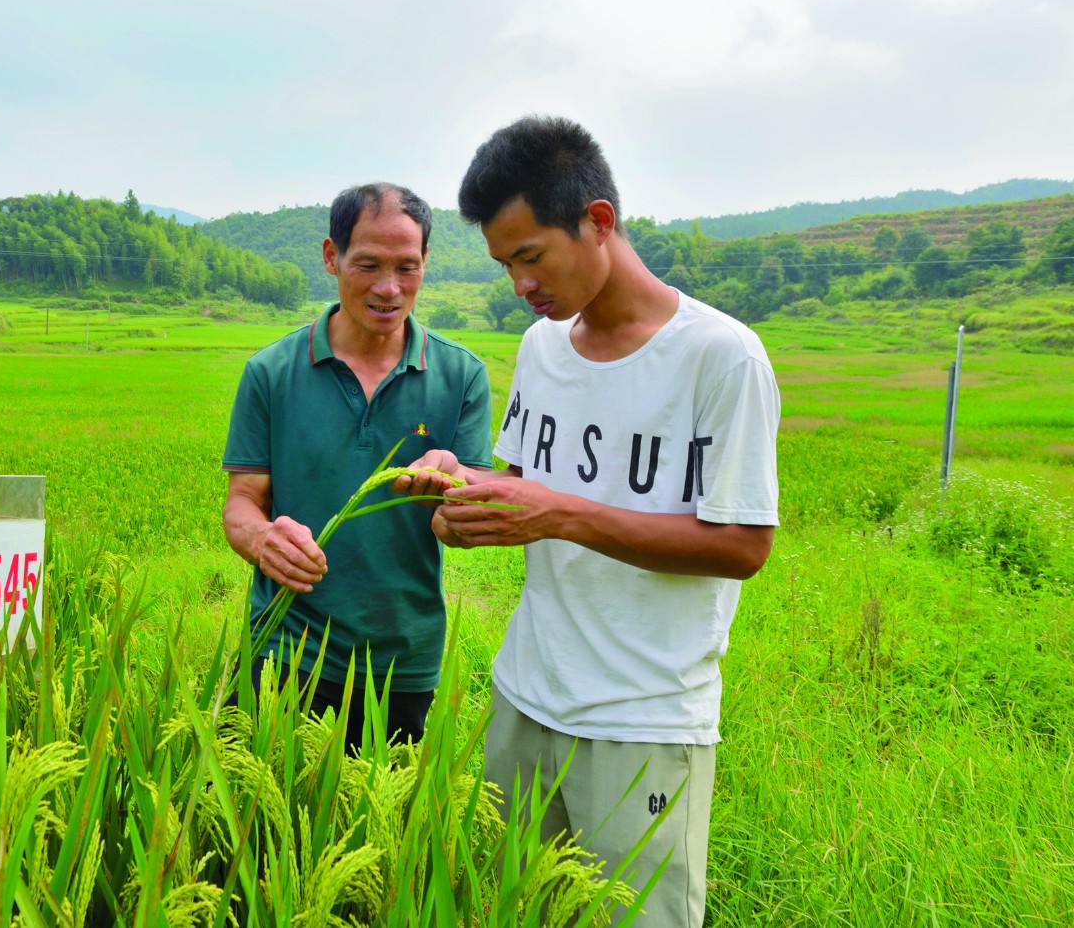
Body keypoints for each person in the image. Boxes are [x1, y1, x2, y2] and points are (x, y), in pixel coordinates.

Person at [397, 117, 779, 926]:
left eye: (530, 256)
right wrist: (457, 488)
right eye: (505, 265)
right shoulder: (544, 348)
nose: (520, 285)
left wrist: (562, 516)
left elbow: (744, 547)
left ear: (597, 222)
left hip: (641, 716)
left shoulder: (721, 357)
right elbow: (523, 487)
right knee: (505, 909)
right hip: (525, 696)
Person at [221, 182, 493, 748]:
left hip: (402, 660)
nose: (389, 288)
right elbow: (244, 501)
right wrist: (264, 539)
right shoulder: (271, 372)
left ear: (425, 264)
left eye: (407, 268)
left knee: (382, 828)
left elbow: (466, 521)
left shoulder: (460, 376)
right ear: (331, 256)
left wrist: (454, 489)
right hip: (284, 647)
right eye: (367, 264)